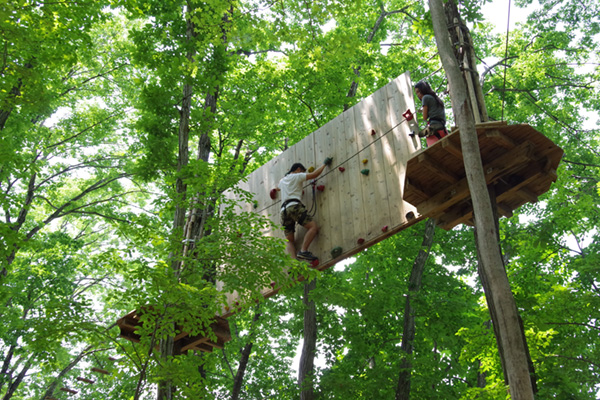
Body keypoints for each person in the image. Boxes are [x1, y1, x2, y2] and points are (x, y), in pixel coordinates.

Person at [277, 159, 330, 262]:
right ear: (298, 169)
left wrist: (296, 188)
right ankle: (303, 251)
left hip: (283, 211)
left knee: (289, 241)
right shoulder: (297, 176)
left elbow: (278, 188)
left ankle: (294, 265)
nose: (303, 174)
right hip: (294, 207)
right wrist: (324, 164)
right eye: (302, 171)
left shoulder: (283, 180)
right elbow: (314, 174)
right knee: (313, 227)